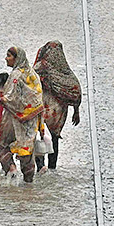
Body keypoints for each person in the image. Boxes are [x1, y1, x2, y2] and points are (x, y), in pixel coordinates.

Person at [0, 46, 44, 181]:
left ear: (16, 59)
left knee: (0, 145)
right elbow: (37, 96)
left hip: (14, 119)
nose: (6, 58)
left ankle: (11, 169)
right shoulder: (32, 74)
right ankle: (29, 184)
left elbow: (11, 97)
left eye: (9, 56)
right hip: (31, 119)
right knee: (27, 150)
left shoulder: (16, 75)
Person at [34, 41, 82, 170]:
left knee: (41, 137)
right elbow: (76, 90)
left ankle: (40, 164)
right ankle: (52, 166)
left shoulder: (41, 67)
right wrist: (76, 111)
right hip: (59, 113)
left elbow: (31, 82)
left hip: (43, 109)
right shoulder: (64, 70)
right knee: (53, 139)